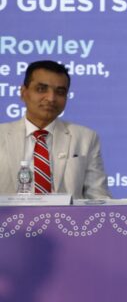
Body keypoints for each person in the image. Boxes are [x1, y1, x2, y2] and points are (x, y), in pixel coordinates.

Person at [0, 60, 111, 200]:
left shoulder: (85, 138)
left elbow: (98, 197)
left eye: (60, 92)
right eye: (41, 89)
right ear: (23, 93)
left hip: (66, 221)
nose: (51, 98)